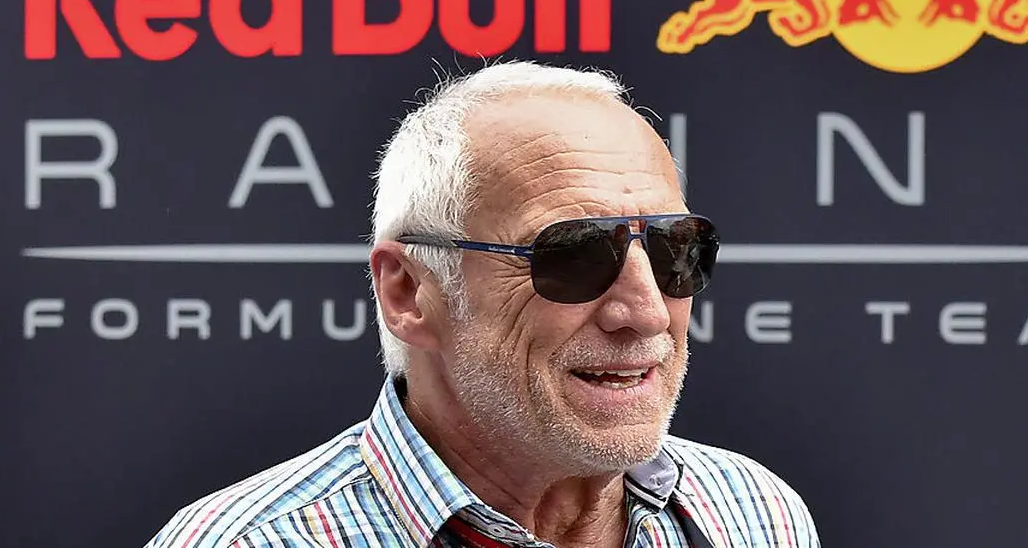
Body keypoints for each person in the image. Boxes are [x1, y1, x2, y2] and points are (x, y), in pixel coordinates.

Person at [143, 61, 820, 548]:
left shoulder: (754, 515)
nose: (646, 311)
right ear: (408, 292)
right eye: (574, 254)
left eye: (676, 249)